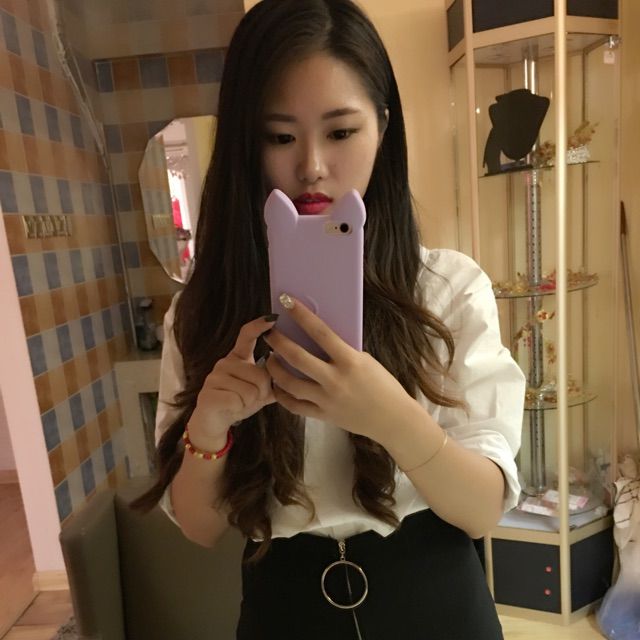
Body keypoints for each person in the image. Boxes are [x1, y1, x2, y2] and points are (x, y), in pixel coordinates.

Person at [133, 1, 526, 638]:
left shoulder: (448, 290)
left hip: (434, 598)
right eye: (280, 136)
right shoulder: (204, 310)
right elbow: (201, 528)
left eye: (341, 132)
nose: (311, 165)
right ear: (245, 143)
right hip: (284, 607)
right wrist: (209, 424)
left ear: (383, 129)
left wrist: (388, 416)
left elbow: (483, 510)